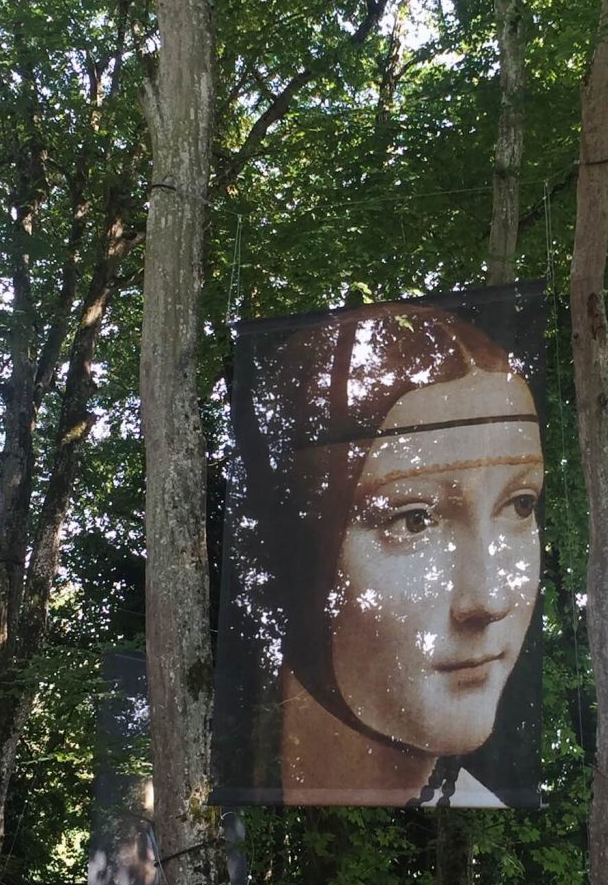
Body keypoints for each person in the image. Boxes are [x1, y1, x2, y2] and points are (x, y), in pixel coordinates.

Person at [212, 296, 544, 808]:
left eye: (520, 505)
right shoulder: (184, 804)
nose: (488, 599)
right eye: (413, 519)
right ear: (293, 546)